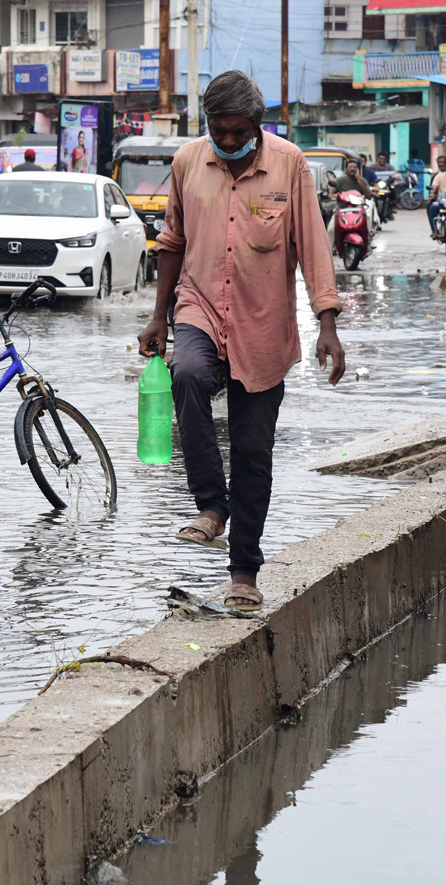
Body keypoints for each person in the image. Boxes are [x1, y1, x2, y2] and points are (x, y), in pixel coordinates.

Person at [135, 70, 344, 611]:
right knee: (186, 375)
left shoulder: (290, 164)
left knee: (253, 452)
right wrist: (159, 317)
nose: (228, 142)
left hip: (264, 322)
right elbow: (172, 241)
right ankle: (211, 506)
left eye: (238, 131)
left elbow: (313, 245)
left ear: (257, 123)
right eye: (218, 131)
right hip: (198, 305)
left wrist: (327, 323)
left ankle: (243, 573)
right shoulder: (187, 162)